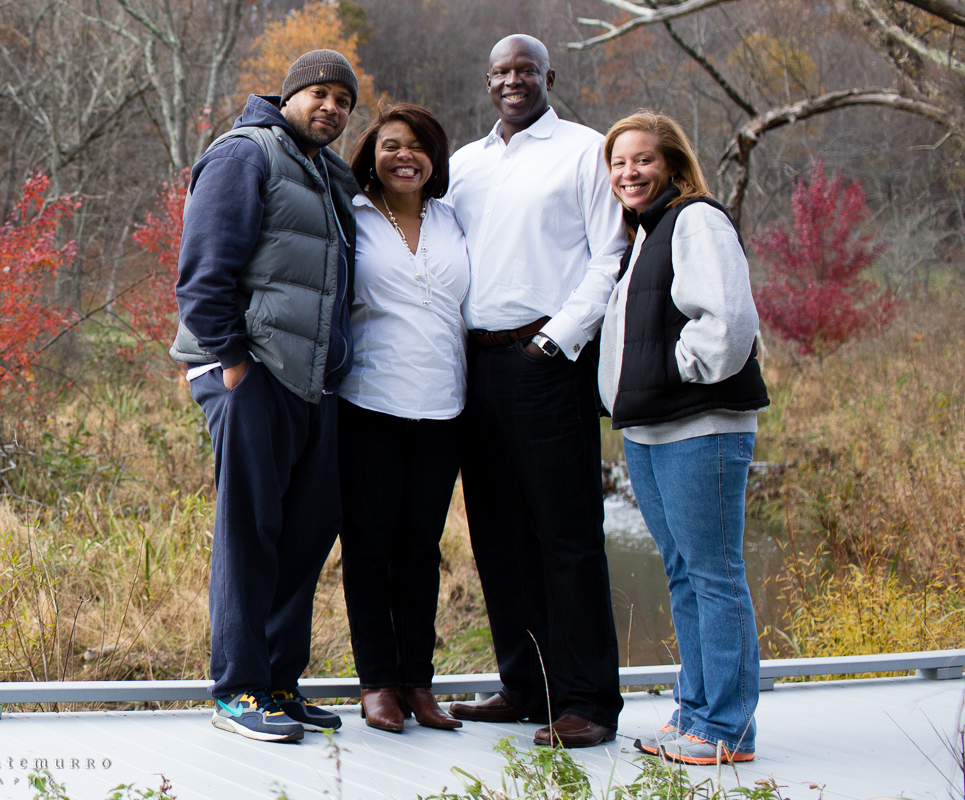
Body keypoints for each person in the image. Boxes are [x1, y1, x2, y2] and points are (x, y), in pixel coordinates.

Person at [172, 50, 361, 744]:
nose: (332, 108)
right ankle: (239, 691)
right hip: (250, 374)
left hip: (311, 381)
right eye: (320, 93)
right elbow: (202, 270)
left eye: (344, 100)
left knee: (305, 535)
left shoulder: (327, 173)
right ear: (289, 95)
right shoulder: (244, 154)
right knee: (250, 534)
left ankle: (279, 682)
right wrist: (232, 360)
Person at [445, 34, 628, 748]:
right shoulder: (465, 164)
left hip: (548, 359)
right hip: (475, 366)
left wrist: (559, 340)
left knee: (568, 535)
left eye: (524, 69)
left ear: (548, 75)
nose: (511, 80)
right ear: (487, 81)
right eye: (499, 71)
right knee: (499, 535)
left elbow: (610, 250)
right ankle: (525, 687)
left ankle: (587, 700)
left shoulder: (585, 149)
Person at [599, 111, 770, 765]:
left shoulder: (696, 219)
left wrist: (674, 374)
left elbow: (727, 319)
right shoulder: (643, 234)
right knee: (683, 575)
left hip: (701, 427)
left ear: (671, 163)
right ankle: (696, 714)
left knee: (715, 574)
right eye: (618, 162)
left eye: (641, 159)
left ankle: (727, 728)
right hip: (649, 431)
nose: (628, 172)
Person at [338, 103, 469, 734]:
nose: (404, 156)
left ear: (435, 157)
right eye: (391, 145)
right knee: (369, 547)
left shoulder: (453, 220)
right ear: (372, 152)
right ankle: (377, 684)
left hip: (444, 407)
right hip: (369, 404)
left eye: (417, 146)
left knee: (420, 549)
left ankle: (419, 682)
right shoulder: (353, 214)